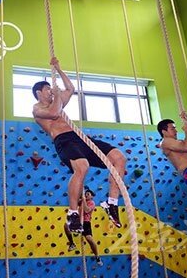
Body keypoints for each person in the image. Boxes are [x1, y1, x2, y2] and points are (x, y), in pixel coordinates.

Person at [32, 57, 127, 233]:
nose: (51, 92)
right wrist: (58, 96)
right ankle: (73, 213)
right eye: (47, 90)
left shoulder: (57, 102)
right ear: (39, 92)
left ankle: (111, 203)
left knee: (118, 158)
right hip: (64, 140)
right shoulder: (38, 109)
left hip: (80, 138)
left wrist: (58, 69)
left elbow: (71, 88)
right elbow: (53, 113)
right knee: (82, 167)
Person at [64, 188, 103, 266]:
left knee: (89, 239)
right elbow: (74, 203)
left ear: (92, 196)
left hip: (86, 222)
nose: (86, 195)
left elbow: (86, 210)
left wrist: (84, 200)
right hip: (78, 221)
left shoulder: (92, 203)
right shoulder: (81, 201)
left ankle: (97, 256)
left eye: (88, 194)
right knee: (66, 226)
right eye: (85, 194)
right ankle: (72, 243)